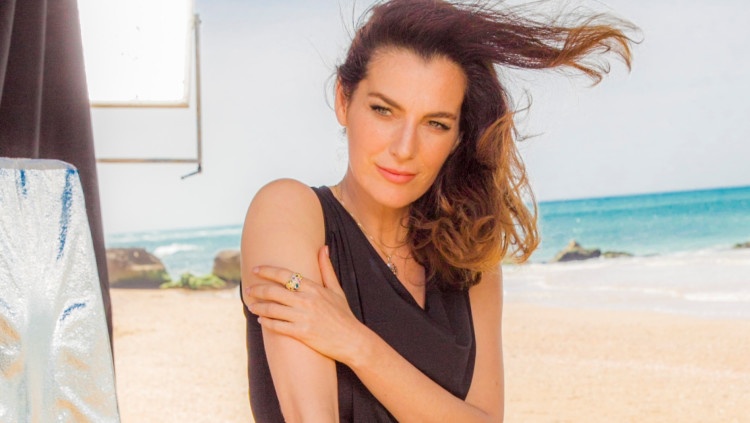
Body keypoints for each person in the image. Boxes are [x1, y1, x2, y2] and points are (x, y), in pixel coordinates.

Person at [240, 0, 634, 421]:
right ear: (343, 99)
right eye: (383, 110)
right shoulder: (288, 211)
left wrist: (357, 344)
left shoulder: (470, 258)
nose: (404, 148)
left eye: (436, 123)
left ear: (459, 136)